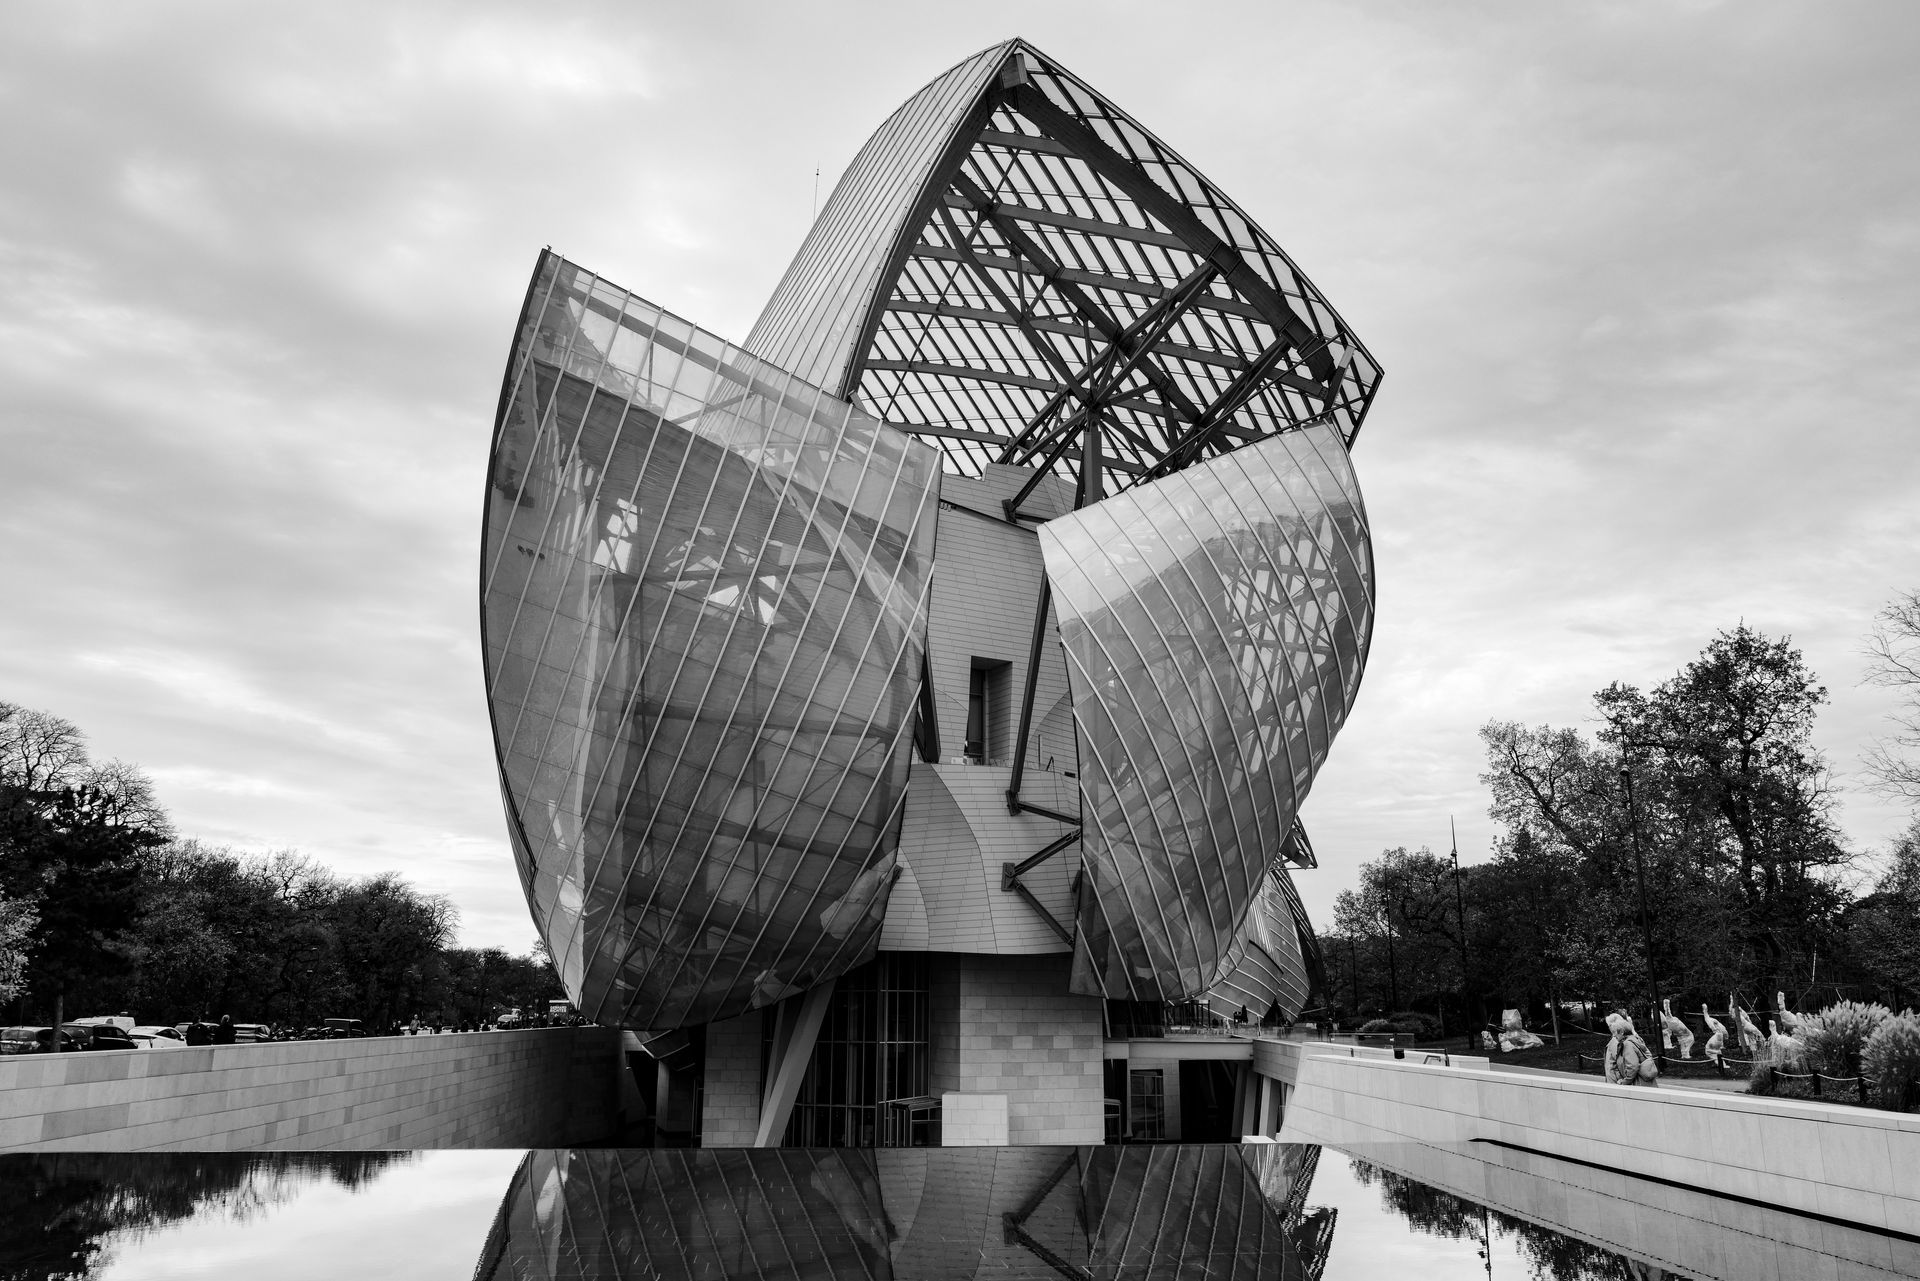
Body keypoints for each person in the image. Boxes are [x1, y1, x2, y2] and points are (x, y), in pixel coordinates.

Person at [1605, 1018, 1658, 1087]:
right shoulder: (1635, 1039)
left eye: (1615, 1032)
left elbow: (1632, 1067)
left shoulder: (1627, 1044)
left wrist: (1625, 1081)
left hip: (1638, 1083)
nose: (1614, 1036)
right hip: (1646, 1082)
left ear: (1622, 1032)